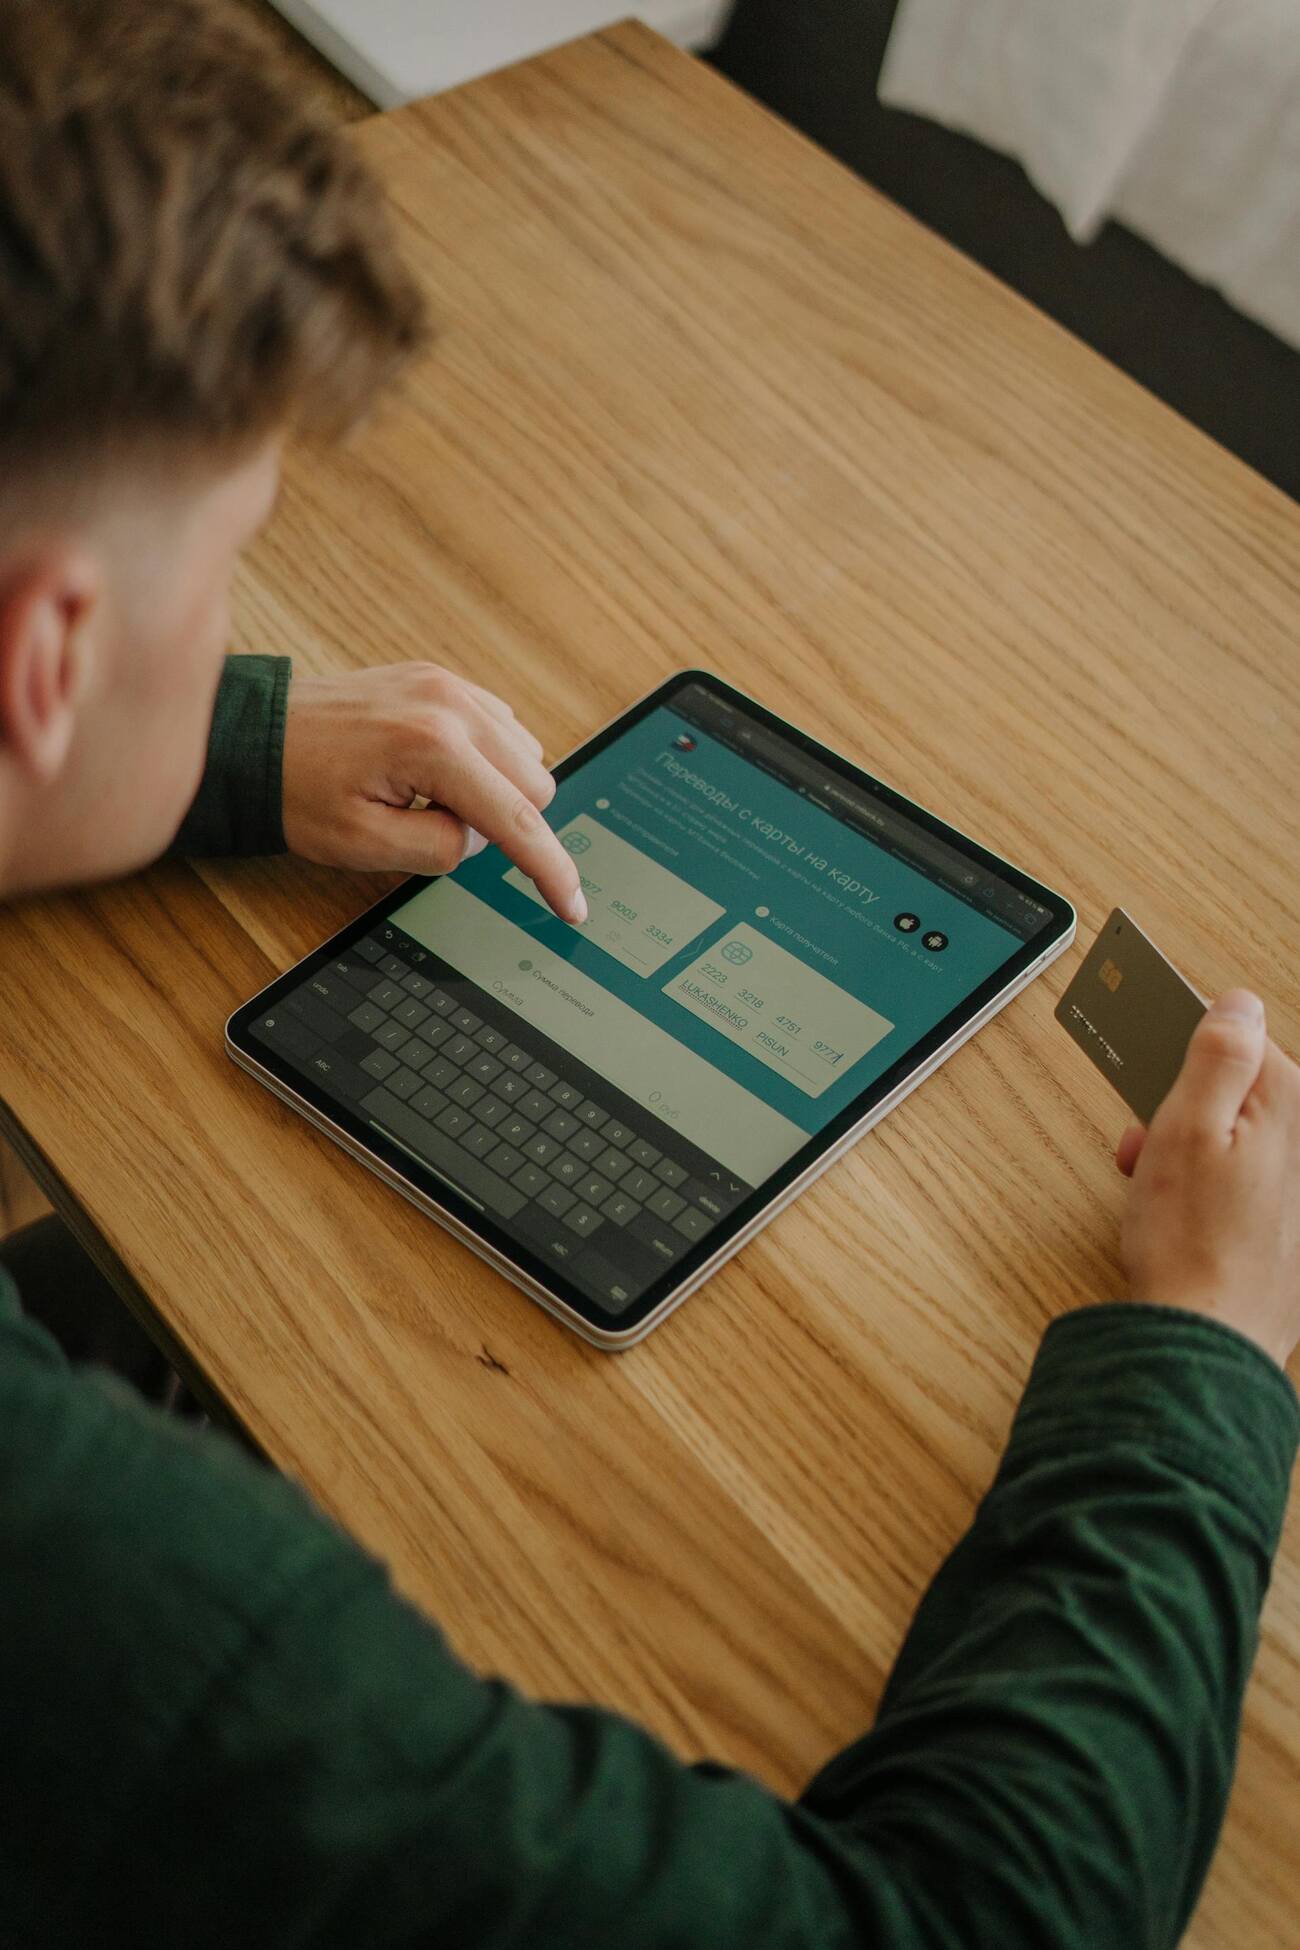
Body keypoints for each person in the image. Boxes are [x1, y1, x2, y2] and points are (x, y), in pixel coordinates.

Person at [0, 3, 1295, 1945]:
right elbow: (960, 1927)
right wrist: (1200, 1361)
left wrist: (231, 739)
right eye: (226, 566)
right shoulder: (111, 1594)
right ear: (50, 655)